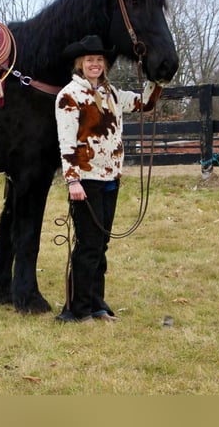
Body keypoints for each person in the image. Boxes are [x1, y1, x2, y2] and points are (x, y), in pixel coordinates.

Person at [54, 34, 162, 323]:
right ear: (80, 63)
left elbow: (145, 103)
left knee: (101, 245)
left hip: (110, 177)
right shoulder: (69, 96)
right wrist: (72, 180)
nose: (94, 65)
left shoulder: (111, 93)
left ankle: (96, 304)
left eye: (99, 60)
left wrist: (158, 77)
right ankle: (78, 309)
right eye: (89, 60)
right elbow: (67, 143)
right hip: (85, 180)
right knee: (88, 245)